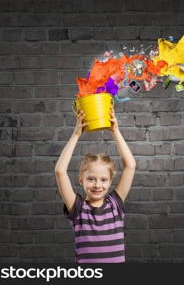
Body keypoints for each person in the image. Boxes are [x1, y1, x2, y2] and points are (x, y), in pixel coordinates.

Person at [55, 107, 136, 263]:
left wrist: (115, 131)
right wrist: (76, 134)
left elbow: (130, 166)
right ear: (81, 180)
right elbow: (60, 171)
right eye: (91, 179)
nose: (97, 185)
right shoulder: (78, 208)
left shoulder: (115, 204)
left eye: (103, 180)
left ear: (110, 181)